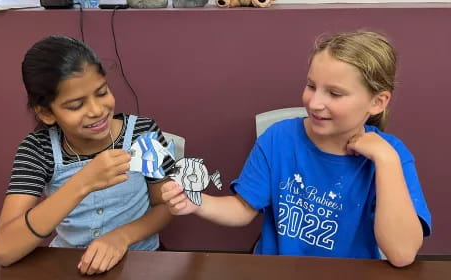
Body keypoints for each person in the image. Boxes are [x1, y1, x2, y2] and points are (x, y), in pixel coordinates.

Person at [162, 31, 431, 267]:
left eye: (335, 94)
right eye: (311, 86)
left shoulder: (393, 155)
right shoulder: (278, 138)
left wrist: (385, 160)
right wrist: (195, 201)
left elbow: (402, 253)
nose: (314, 103)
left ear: (377, 102)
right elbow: (243, 209)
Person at [0, 35, 174, 275]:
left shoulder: (143, 133)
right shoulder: (38, 149)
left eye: (101, 92)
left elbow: (165, 205)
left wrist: (121, 237)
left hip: (140, 261)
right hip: (70, 264)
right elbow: (6, 250)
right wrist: (83, 182)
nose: (97, 111)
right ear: (47, 113)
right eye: (76, 105)